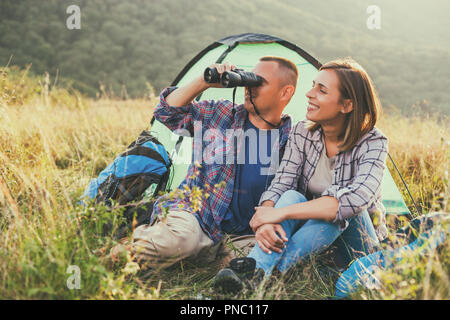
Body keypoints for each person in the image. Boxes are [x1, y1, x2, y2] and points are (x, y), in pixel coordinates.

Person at [214, 57, 389, 293]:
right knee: (292, 195)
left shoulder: (373, 142)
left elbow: (352, 201)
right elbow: (281, 183)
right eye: (313, 85)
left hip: (357, 247)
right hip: (312, 241)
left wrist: (279, 213)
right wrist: (266, 218)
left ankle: (271, 271)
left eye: (321, 90)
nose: (309, 94)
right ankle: (256, 271)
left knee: (337, 213)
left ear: (346, 105)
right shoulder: (302, 133)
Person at [130, 56, 299, 269]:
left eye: (259, 82)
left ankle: (197, 256)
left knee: (271, 257)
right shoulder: (220, 115)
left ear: (286, 92)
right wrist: (204, 81)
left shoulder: (293, 140)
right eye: (248, 80)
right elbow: (166, 113)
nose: (249, 87)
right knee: (184, 240)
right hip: (196, 215)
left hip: (241, 236)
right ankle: (126, 246)